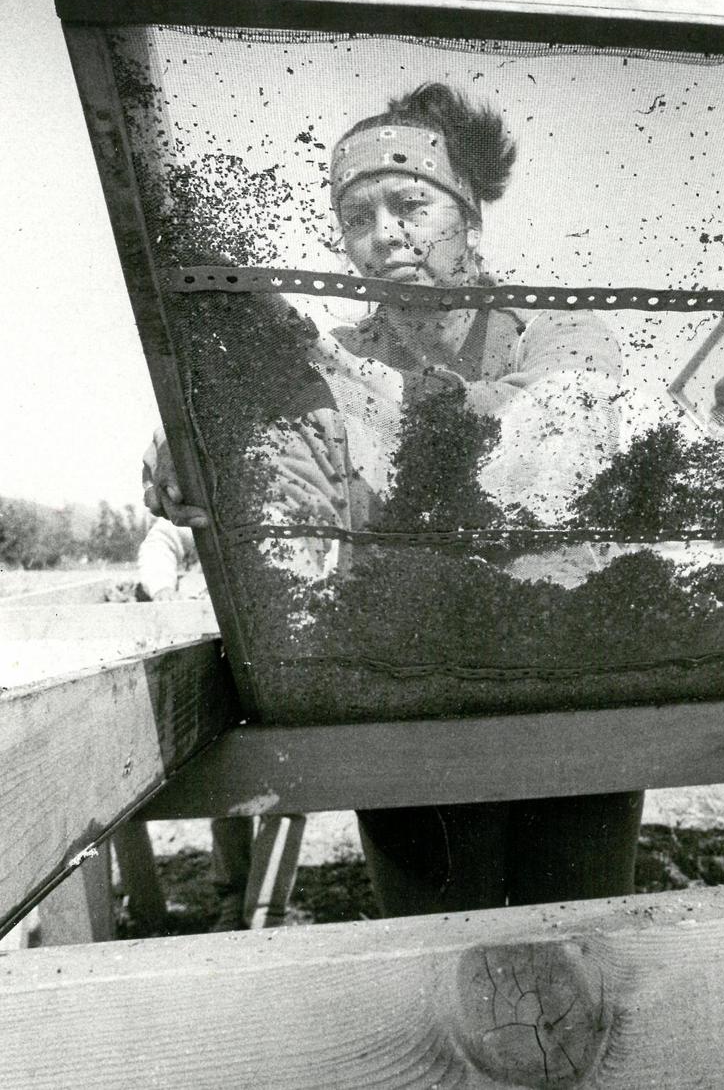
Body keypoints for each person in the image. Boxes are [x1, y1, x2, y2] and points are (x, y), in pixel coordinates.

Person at [146, 82, 644, 916]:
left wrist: (339, 387)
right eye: (356, 219)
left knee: (585, 949)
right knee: (437, 965)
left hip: (568, 695)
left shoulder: (561, 334)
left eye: (410, 204)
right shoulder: (329, 366)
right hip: (402, 708)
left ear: (473, 219)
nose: (384, 236)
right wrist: (198, 440)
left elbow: (531, 440)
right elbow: (289, 471)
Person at [134, 512, 255, 931]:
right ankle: (236, 898)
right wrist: (166, 592)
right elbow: (161, 543)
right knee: (233, 775)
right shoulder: (210, 503)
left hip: (276, 648)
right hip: (220, 648)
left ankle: (260, 903)